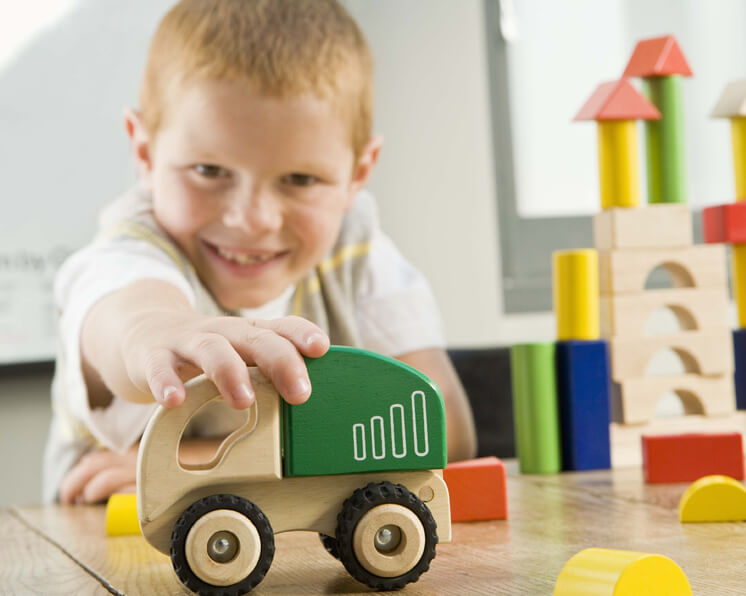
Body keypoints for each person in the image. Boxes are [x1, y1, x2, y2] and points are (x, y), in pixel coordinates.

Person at [43, 0, 477, 505]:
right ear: (144, 152)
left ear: (359, 174)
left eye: (299, 179)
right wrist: (158, 332)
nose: (251, 219)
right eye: (209, 170)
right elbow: (127, 321)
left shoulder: (355, 252)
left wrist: (205, 465)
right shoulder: (132, 249)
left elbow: (444, 425)